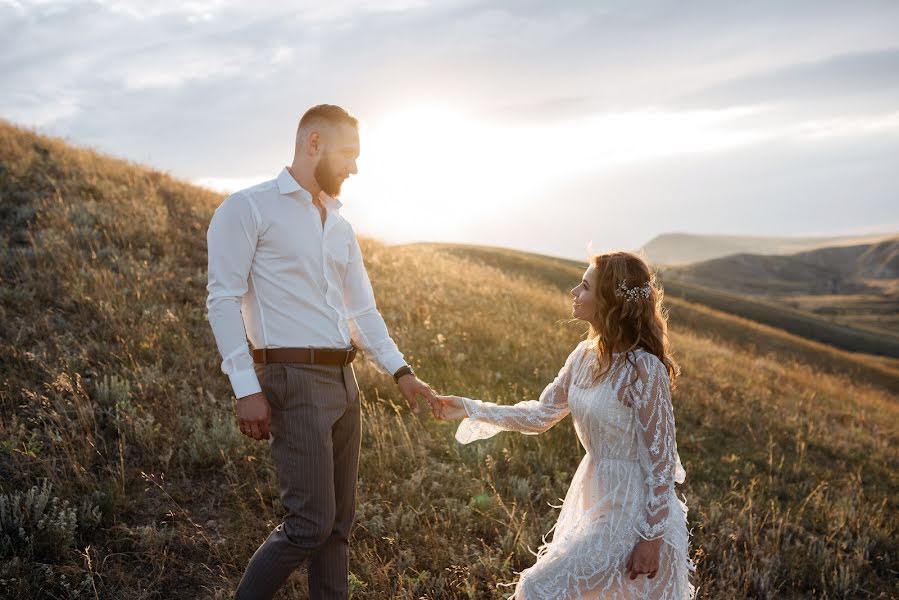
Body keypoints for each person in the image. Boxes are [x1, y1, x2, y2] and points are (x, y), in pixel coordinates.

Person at [205, 104, 438, 600]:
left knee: (338, 526)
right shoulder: (248, 208)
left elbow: (363, 312)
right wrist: (247, 389)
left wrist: (402, 372)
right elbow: (222, 301)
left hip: (343, 382)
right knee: (310, 523)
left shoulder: (340, 225)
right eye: (348, 153)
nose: (355, 166)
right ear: (314, 143)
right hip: (291, 376)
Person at [434, 251, 697, 599]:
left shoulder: (645, 370)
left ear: (610, 301)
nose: (574, 291)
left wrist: (650, 540)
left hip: (634, 514)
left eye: (585, 286)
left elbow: (662, 465)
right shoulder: (584, 356)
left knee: (538, 588)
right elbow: (541, 414)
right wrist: (471, 408)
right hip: (596, 494)